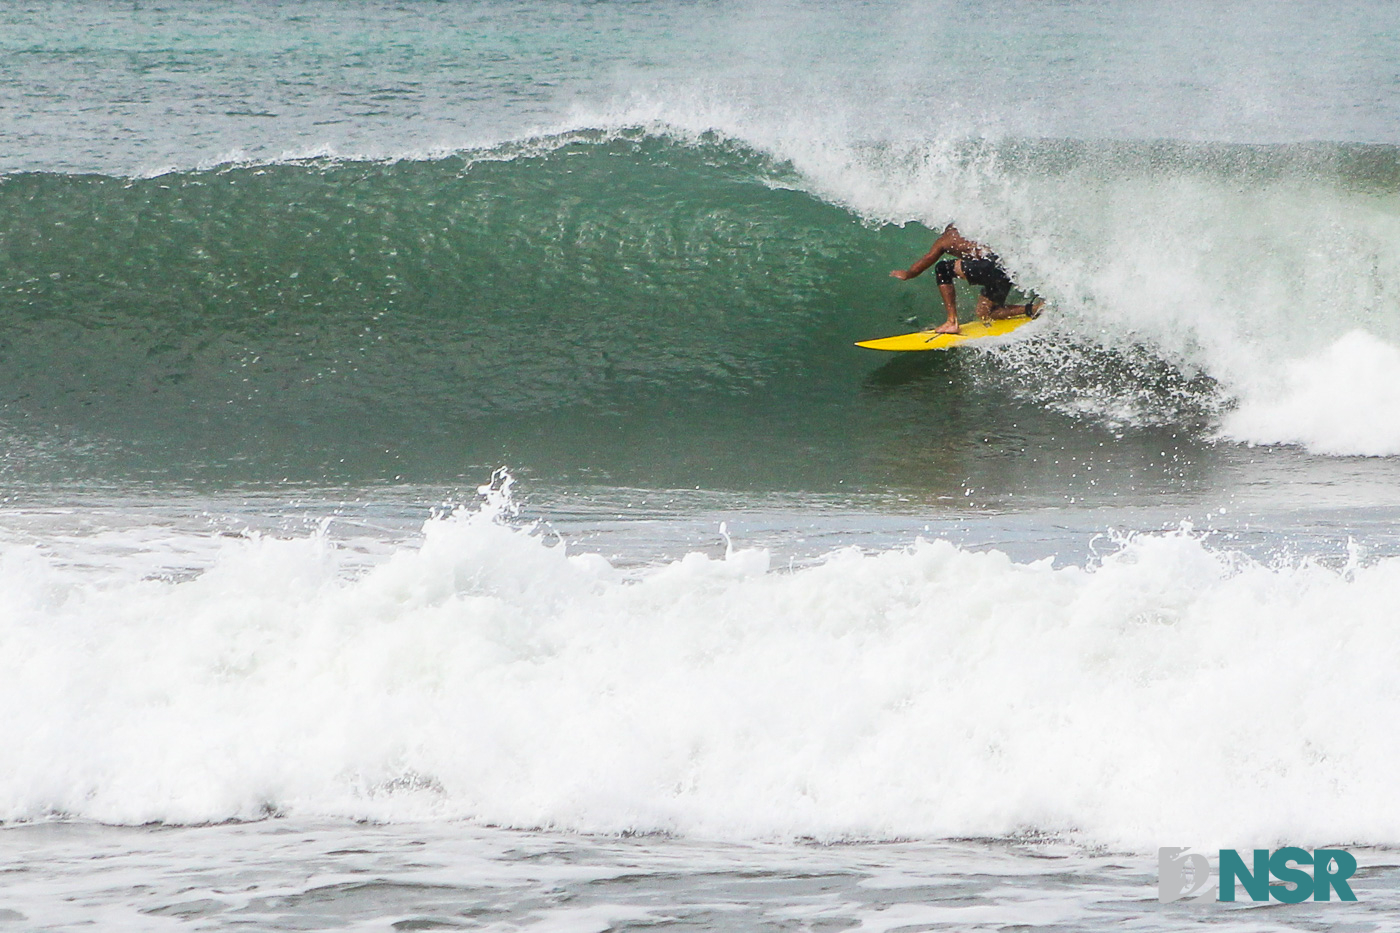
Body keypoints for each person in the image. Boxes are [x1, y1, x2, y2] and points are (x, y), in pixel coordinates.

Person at [890, 223, 1042, 335]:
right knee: (985, 313)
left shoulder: (945, 239)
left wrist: (909, 274)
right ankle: (1034, 309)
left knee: (942, 268)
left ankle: (952, 322)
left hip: (989, 266)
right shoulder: (975, 232)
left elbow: (928, 258)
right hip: (1006, 268)